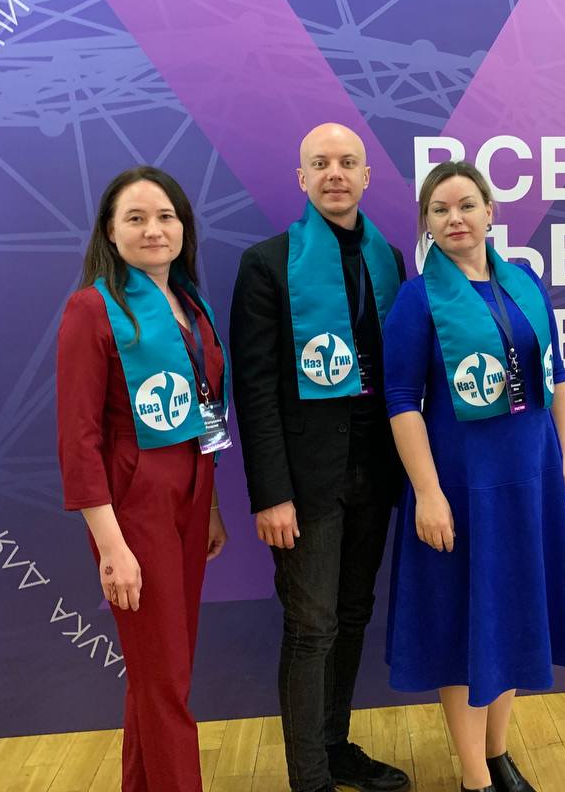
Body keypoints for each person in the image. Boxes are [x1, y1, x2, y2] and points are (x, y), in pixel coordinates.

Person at [382, 161, 565, 792]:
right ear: (426, 223)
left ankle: (498, 754)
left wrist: (564, 461)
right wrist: (428, 493)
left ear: (490, 212)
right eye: (440, 209)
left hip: (530, 478)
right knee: (463, 626)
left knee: (513, 613)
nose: (455, 219)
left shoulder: (525, 283)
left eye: (466, 205)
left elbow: (556, 375)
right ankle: (475, 778)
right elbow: (400, 400)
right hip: (461, 486)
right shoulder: (418, 299)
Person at [230, 123, 411, 792]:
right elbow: (254, 391)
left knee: (354, 614)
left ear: (366, 176)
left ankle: (334, 747)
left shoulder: (391, 259)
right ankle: (309, 778)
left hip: (376, 472)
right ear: (301, 178)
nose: (335, 173)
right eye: (321, 163)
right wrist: (270, 493)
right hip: (305, 485)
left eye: (348, 162)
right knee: (312, 627)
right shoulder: (266, 264)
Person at [57, 165, 230, 792]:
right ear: (110, 231)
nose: (153, 230)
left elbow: (205, 410)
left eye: (165, 217)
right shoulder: (92, 308)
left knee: (160, 671)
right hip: (134, 507)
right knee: (166, 680)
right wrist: (112, 548)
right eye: (135, 218)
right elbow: (78, 440)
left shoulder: (191, 305)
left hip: (193, 495)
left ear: (183, 227)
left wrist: (211, 507)